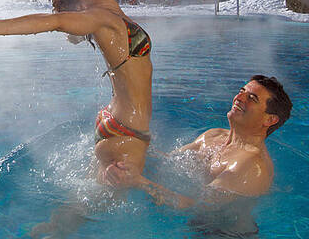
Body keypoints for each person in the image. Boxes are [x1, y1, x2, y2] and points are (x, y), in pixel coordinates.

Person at [0, 0, 153, 183]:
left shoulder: (111, 16)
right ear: (79, 3)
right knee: (179, 206)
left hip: (115, 120)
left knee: (82, 210)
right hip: (126, 131)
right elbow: (56, 22)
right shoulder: (99, 17)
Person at [105, 75, 292, 209]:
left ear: (269, 120)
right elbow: (168, 161)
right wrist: (128, 142)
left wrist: (138, 182)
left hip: (222, 233)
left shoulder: (251, 165)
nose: (239, 98)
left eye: (252, 98)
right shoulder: (213, 136)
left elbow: (196, 206)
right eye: (241, 91)